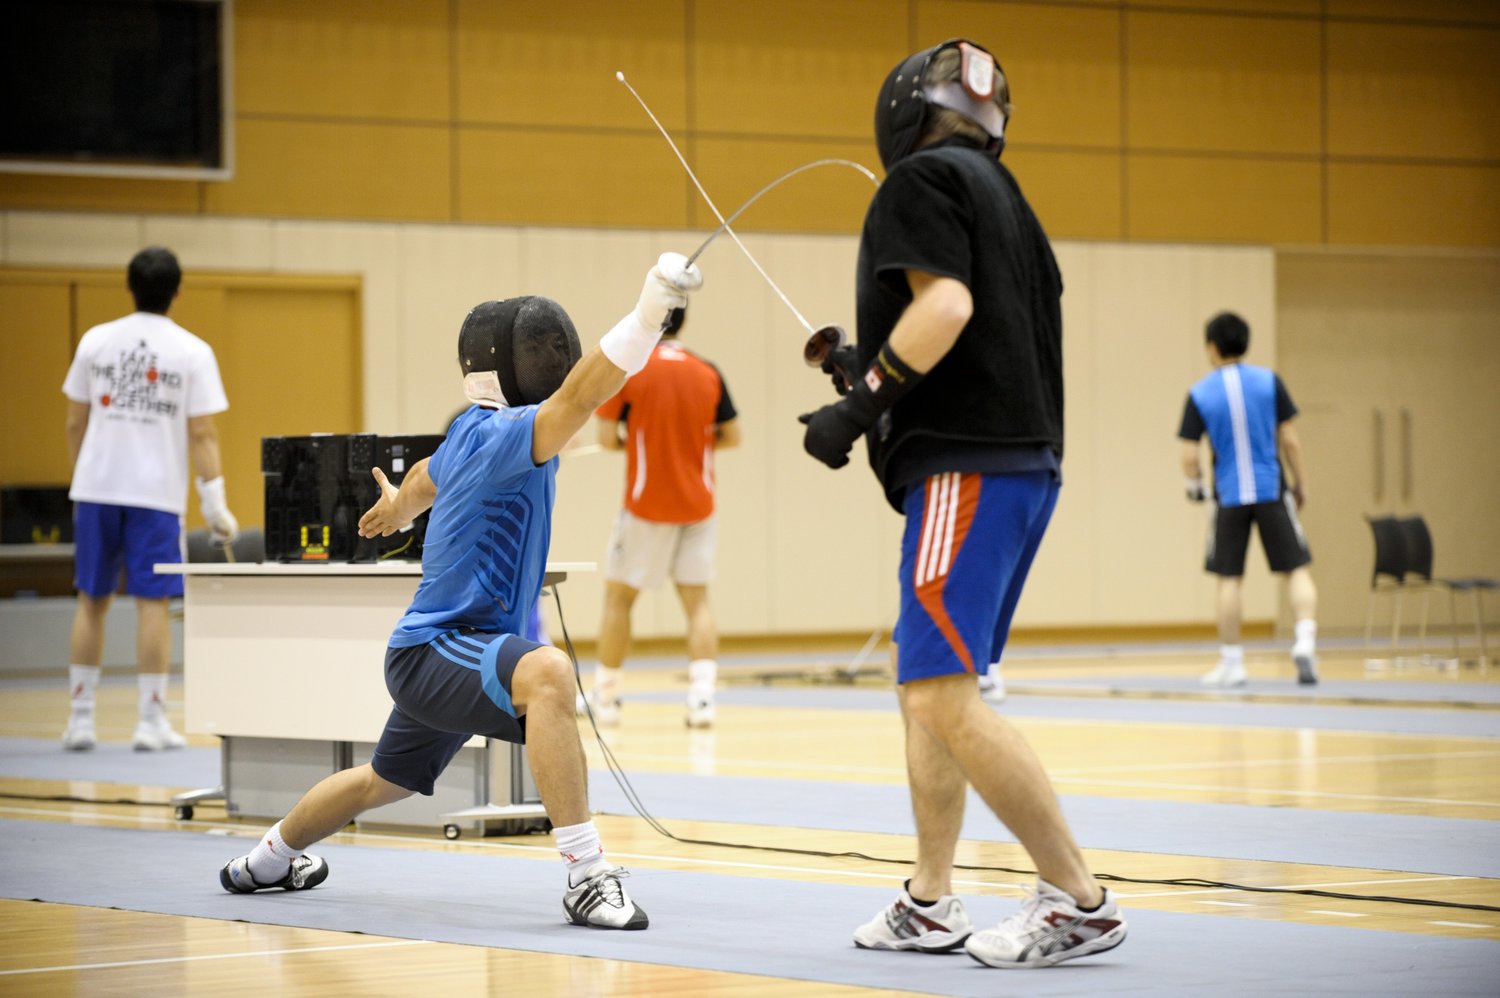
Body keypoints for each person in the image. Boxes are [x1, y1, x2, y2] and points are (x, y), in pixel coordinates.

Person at [217, 253, 703, 931]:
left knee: (377, 782)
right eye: (539, 350)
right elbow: (584, 395)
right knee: (550, 675)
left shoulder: (469, 430)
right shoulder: (505, 434)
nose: (549, 358)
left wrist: (400, 511)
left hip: (436, 653)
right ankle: (587, 877)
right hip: (444, 648)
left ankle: (265, 861)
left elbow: (423, 474)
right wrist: (652, 309)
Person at [798, 40, 1127, 969]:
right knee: (929, 692)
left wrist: (859, 408)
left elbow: (942, 310)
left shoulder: (918, 182)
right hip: (1023, 467)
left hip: (969, 474)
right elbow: (977, 333)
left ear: (904, 110)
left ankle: (1080, 900)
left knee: (940, 691)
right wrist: (865, 379)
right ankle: (932, 901)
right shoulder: (1010, 203)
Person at [60, 246, 238, 753]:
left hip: (95, 489)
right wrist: (215, 504)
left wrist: (88, 473)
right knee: (152, 602)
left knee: (90, 599)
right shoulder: (191, 351)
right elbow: (203, 434)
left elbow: (75, 421)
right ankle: (150, 720)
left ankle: (80, 719)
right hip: (154, 496)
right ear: (177, 291)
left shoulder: (95, 341)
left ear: (129, 286)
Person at [580, 304, 739, 728]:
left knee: (619, 598)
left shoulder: (633, 370)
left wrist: (643, 438)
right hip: (699, 505)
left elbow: (608, 441)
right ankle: (702, 700)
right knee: (698, 602)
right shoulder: (708, 372)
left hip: (646, 503)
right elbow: (732, 435)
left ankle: (608, 699)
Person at [1179, 311, 1318, 687]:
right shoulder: (1269, 383)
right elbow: (1289, 439)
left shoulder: (1200, 392)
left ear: (1211, 347)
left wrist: (1196, 486)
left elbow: (1189, 456)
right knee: (1296, 568)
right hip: (1272, 488)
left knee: (1229, 578)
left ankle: (1232, 661)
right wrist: (1300, 483)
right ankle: (1304, 641)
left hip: (1229, 495)